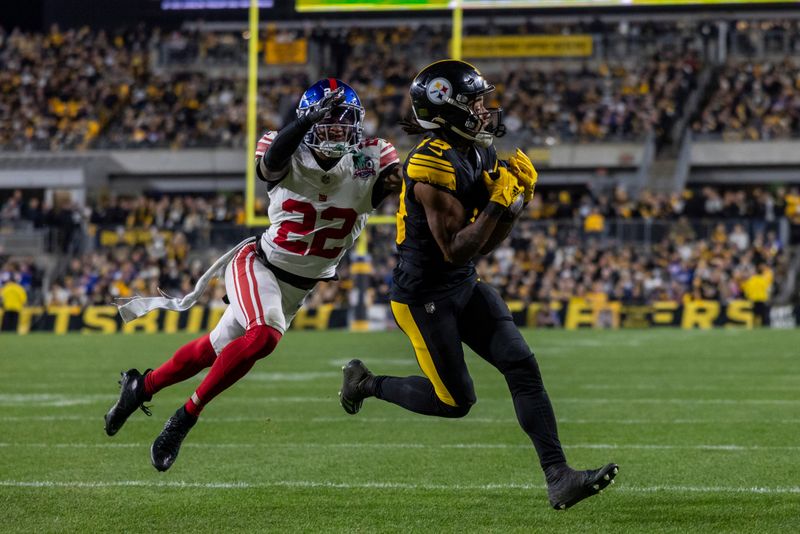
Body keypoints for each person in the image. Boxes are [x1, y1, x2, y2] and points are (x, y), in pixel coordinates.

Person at [338, 60, 618, 510]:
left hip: (463, 282)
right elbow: (454, 247)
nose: (485, 110)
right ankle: (366, 384)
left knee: (522, 366)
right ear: (446, 110)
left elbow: (483, 245)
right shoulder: (429, 162)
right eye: (474, 102)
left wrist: (511, 207)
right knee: (455, 401)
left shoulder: (478, 150)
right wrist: (498, 202)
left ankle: (558, 476)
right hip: (424, 296)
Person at [104, 78, 401, 471]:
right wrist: (299, 125)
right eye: (327, 121)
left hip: (299, 287)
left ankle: (140, 387)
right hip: (259, 264)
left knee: (213, 348)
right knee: (264, 334)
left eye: (345, 122)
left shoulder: (373, 157)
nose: (338, 130)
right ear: (308, 121)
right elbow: (269, 166)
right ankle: (185, 417)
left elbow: (409, 187)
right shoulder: (284, 148)